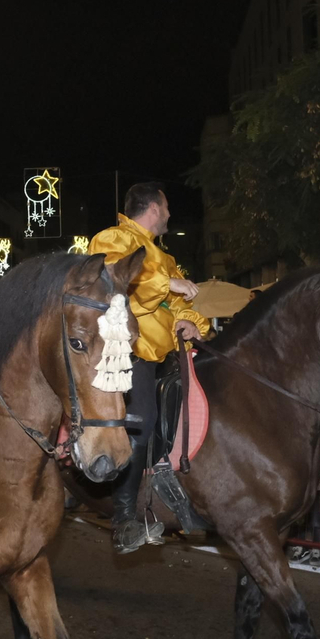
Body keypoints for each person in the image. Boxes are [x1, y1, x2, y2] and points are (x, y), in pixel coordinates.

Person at [89, 181, 208, 553]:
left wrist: (192, 322)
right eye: (167, 208)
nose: (171, 215)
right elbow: (111, 277)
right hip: (127, 352)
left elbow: (174, 307)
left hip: (166, 355)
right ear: (154, 208)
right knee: (142, 419)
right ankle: (123, 517)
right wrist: (164, 281)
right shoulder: (114, 238)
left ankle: (174, 492)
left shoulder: (163, 255)